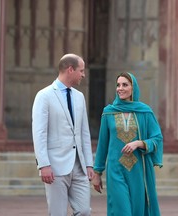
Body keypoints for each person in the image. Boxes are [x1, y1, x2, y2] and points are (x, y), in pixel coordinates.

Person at [92, 72, 163, 216]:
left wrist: (139, 143)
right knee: (121, 210)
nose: (120, 88)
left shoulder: (144, 112)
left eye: (125, 85)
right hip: (115, 170)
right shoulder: (109, 112)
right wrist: (97, 173)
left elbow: (157, 138)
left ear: (133, 88)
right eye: (118, 85)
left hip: (138, 170)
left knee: (137, 210)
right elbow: (103, 144)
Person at [32, 53, 94, 216]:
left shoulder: (80, 97)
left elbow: (84, 133)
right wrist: (43, 164)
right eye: (81, 70)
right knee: (58, 213)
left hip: (79, 165)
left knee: (84, 211)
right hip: (55, 166)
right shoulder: (44, 96)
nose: (83, 74)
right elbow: (39, 133)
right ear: (70, 70)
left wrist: (89, 163)